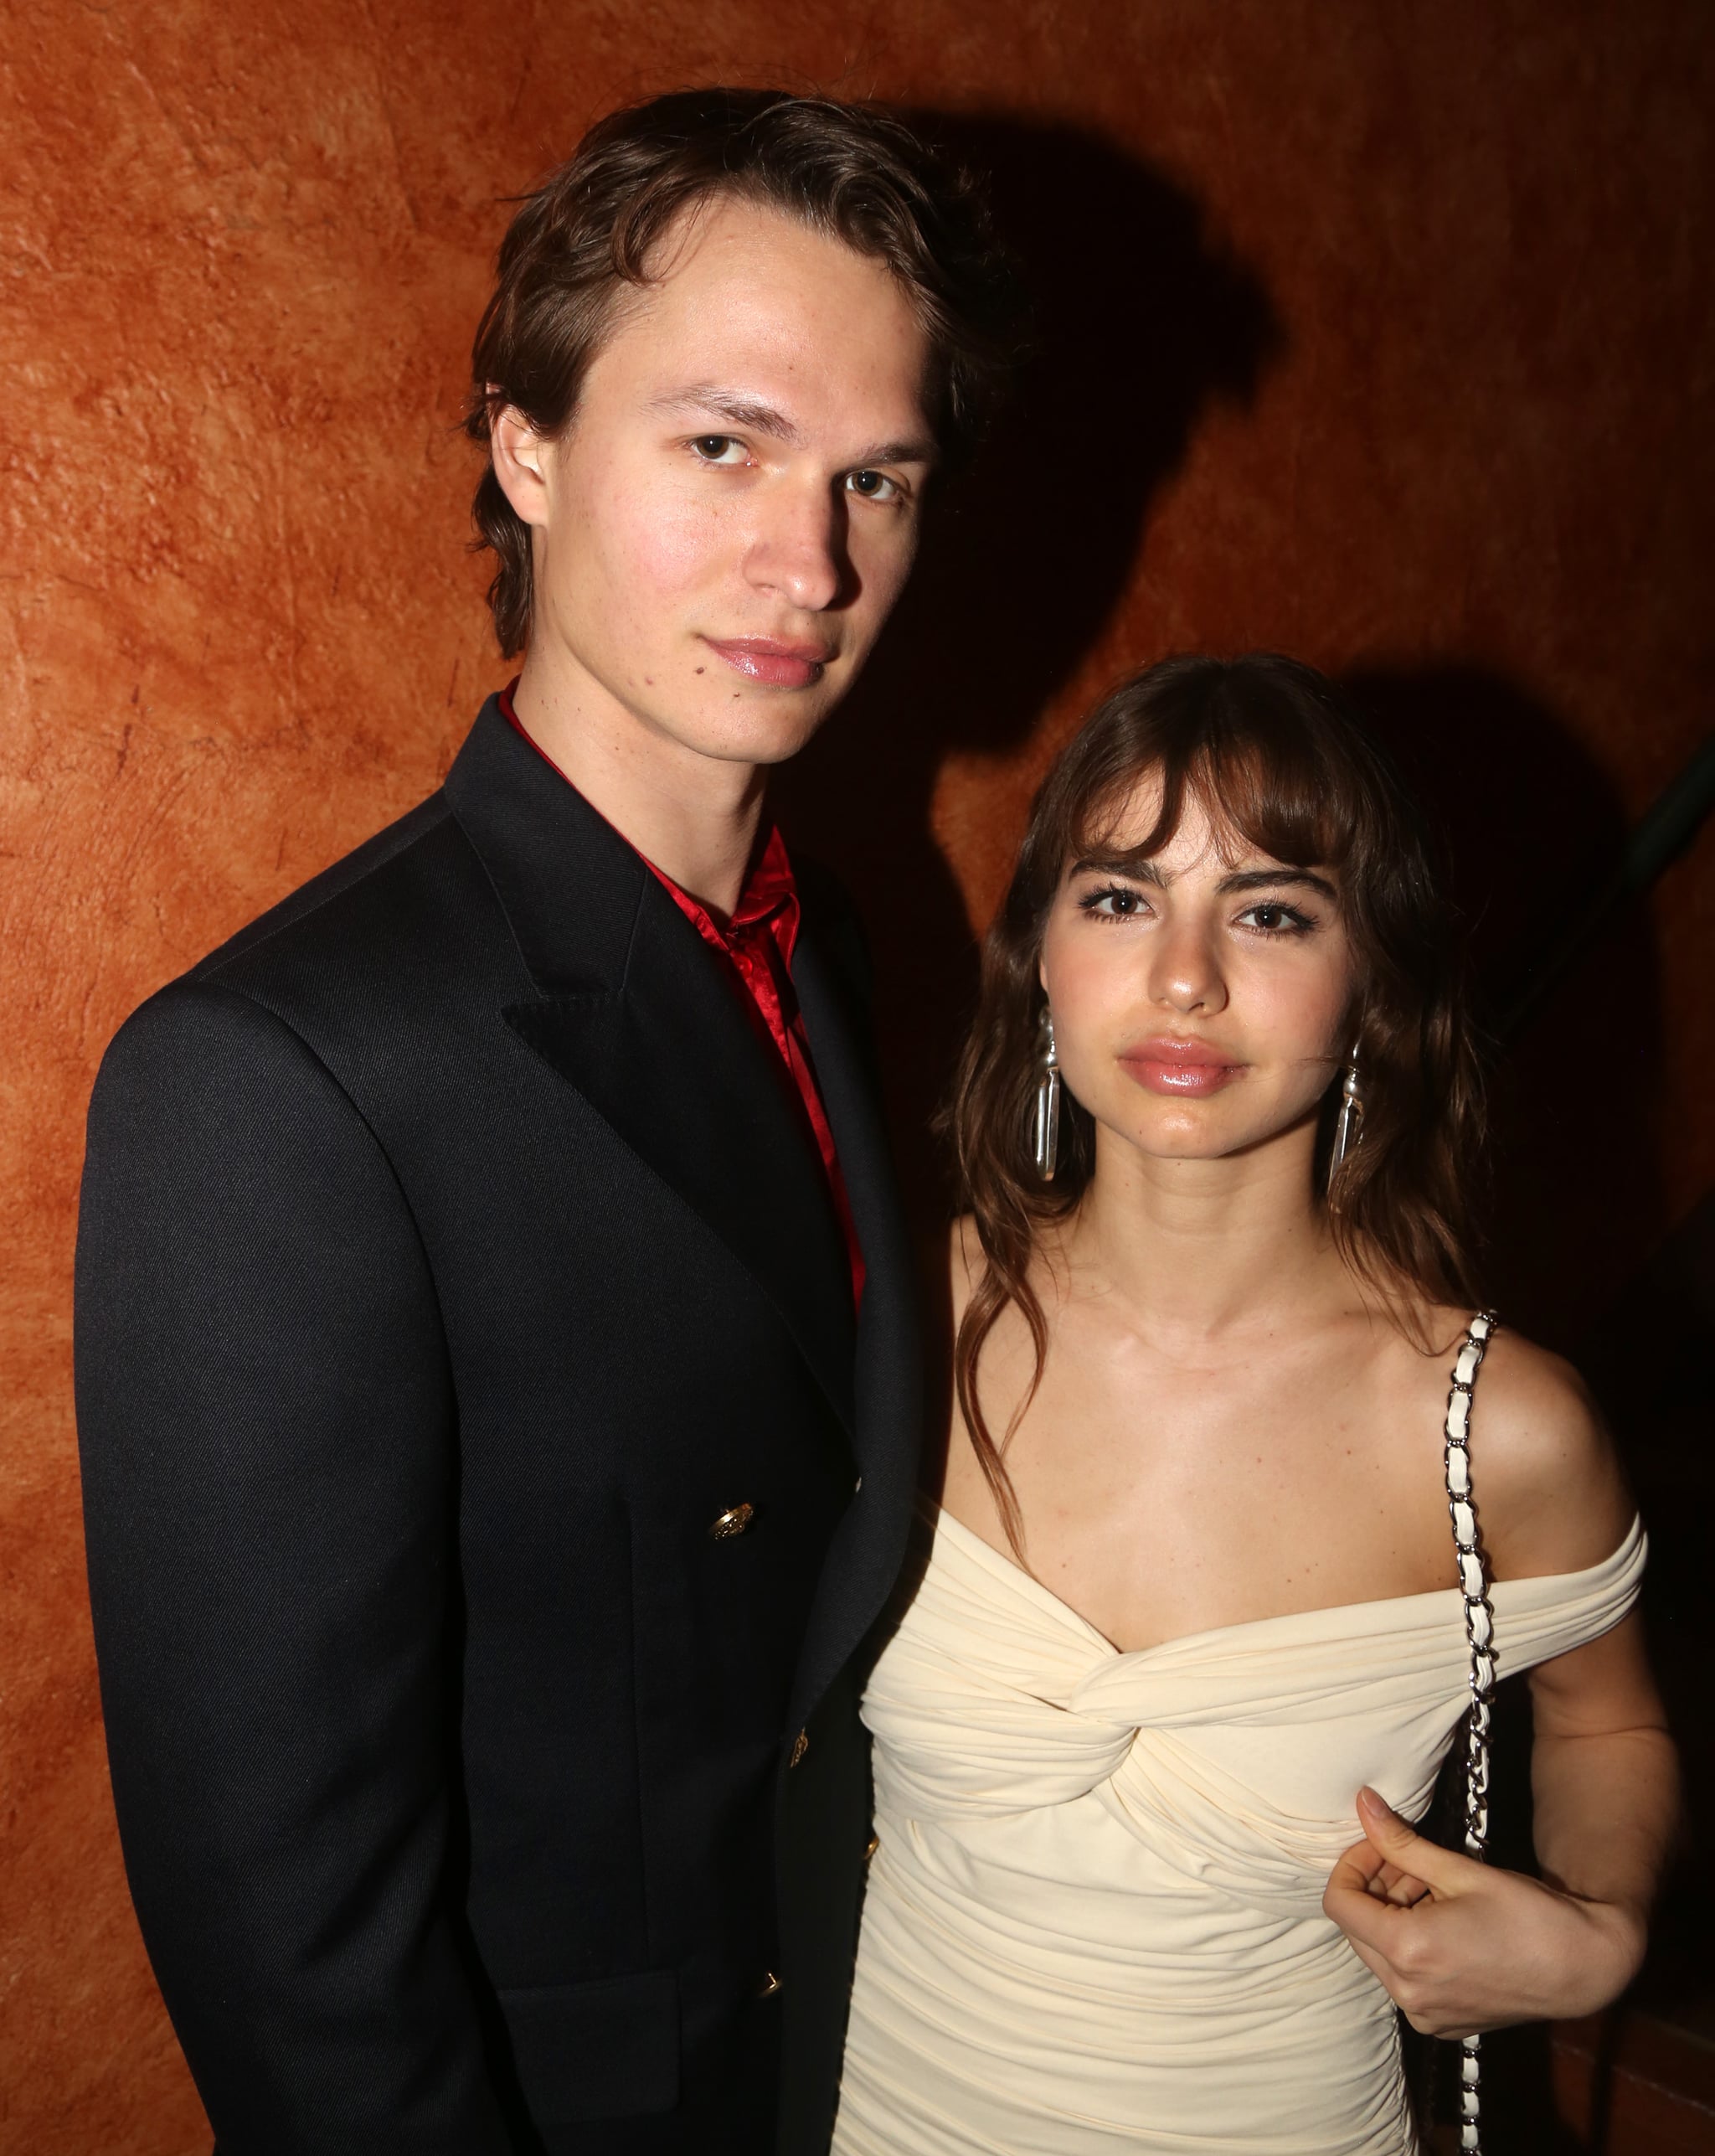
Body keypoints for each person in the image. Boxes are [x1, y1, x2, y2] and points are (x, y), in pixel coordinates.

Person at [75, 90, 1017, 2156]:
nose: (814, 562)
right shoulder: (272, 1076)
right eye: (724, 446)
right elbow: (292, 1939)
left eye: (880, 476)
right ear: (525, 443)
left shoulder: (830, 947)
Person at [832, 654, 1680, 2155]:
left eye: (1272, 909)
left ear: (1374, 983)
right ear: (1036, 953)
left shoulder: (1497, 1431)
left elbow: (1608, 1726)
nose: (1184, 976)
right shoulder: (889, 1315)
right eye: (1118, 896)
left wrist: (1594, 1931)